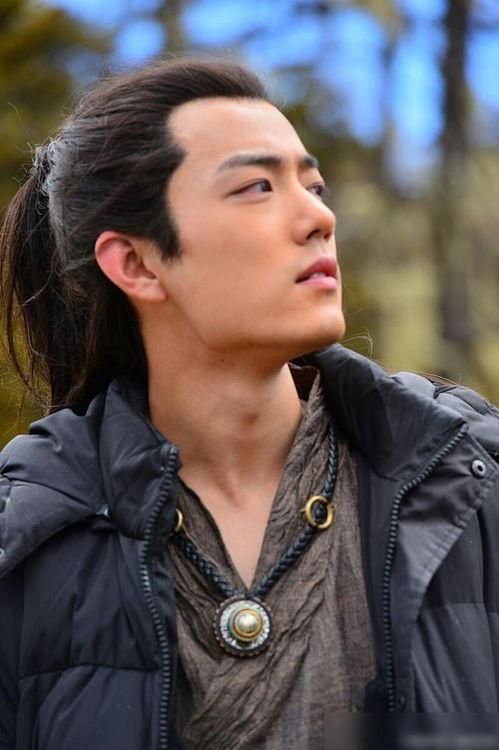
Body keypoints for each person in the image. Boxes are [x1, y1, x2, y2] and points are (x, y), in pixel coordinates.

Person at [0, 57, 498, 750]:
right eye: (256, 186)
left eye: (314, 186)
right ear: (137, 264)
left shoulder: (469, 480)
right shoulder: (26, 545)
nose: (319, 217)